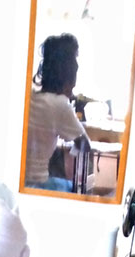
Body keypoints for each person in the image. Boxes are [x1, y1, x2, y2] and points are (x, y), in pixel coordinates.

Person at [24, 34, 90, 192]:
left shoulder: (30, 94)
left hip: (20, 179)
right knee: (75, 188)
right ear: (69, 72)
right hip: (37, 183)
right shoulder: (60, 105)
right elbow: (84, 144)